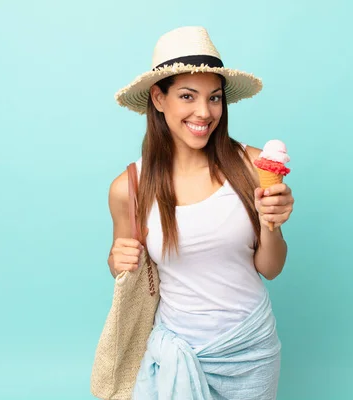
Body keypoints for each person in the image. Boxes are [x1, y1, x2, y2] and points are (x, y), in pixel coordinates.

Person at [107, 26, 294, 399]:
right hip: (177, 351)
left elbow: (271, 268)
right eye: (187, 96)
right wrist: (116, 258)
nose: (204, 112)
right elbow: (123, 266)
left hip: (250, 350)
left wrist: (272, 223)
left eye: (214, 98)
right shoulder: (129, 187)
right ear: (159, 99)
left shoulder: (252, 165)